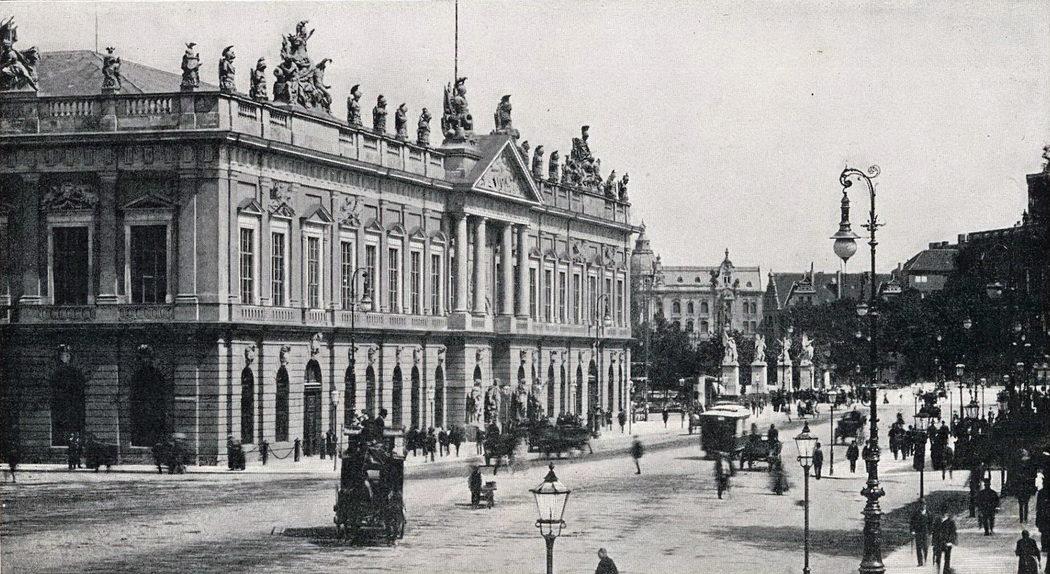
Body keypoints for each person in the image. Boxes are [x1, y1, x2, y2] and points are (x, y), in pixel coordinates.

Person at [910, 498, 932, 566]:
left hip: (925, 532)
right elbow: (912, 523)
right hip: (918, 532)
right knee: (919, 547)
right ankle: (920, 562)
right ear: (919, 505)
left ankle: (925, 560)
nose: (923, 506)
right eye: (921, 504)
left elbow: (931, 523)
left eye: (924, 504)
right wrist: (912, 530)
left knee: (925, 547)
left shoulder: (928, 513)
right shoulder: (916, 513)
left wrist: (930, 532)